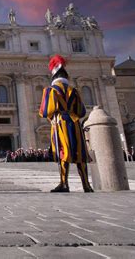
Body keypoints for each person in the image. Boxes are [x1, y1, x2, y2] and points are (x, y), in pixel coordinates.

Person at [39, 55, 94, 193]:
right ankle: (86, 185)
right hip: (75, 123)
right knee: (79, 153)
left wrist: (52, 116)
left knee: (63, 150)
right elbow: (81, 111)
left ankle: (64, 183)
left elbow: (45, 110)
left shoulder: (50, 90)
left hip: (60, 123)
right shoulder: (74, 91)